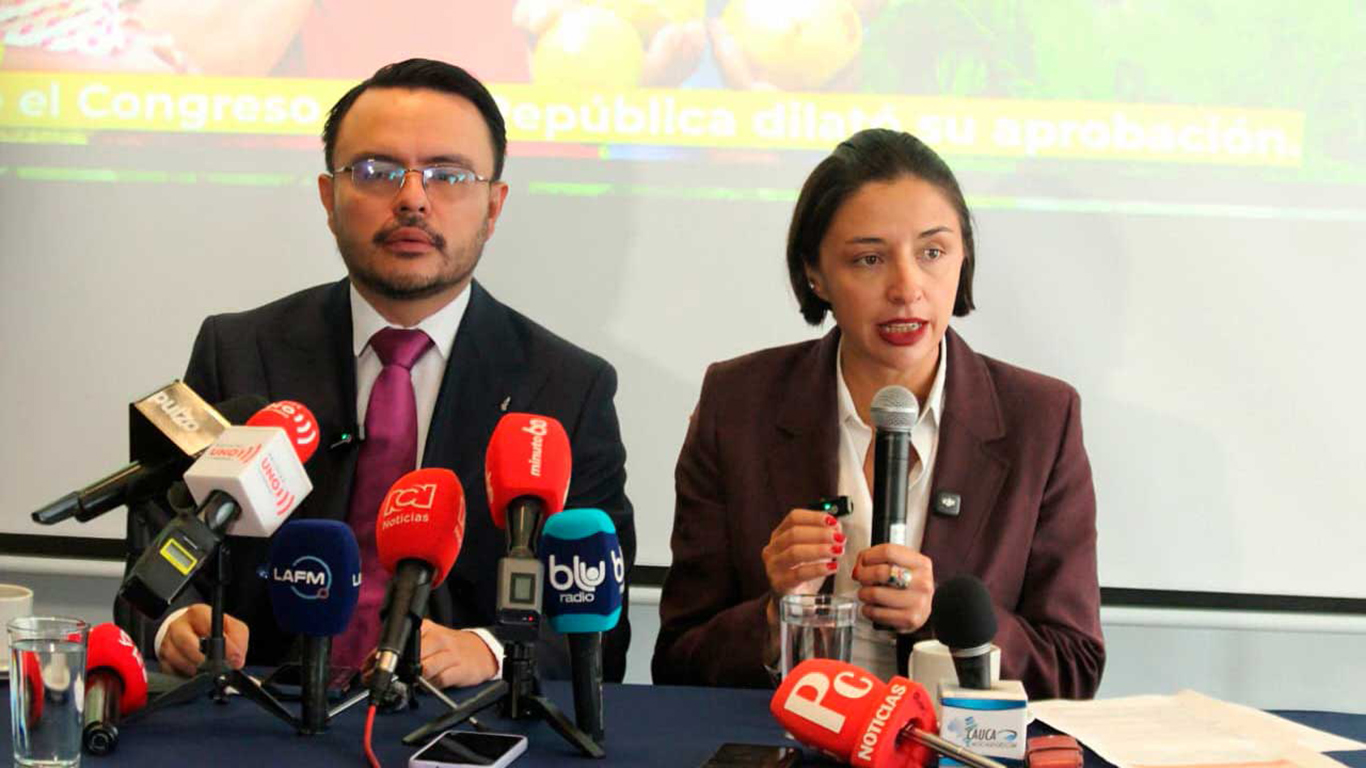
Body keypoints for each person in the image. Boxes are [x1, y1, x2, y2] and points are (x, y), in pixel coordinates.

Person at [120, 58, 635, 688]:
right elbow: (157, 556)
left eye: (448, 176)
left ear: (493, 207)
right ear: (328, 198)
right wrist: (178, 622)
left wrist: (489, 650)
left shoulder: (567, 387)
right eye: (376, 171)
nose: (412, 198)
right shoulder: (238, 350)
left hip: (457, 720)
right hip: (268, 712)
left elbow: (596, 620)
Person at [652, 128, 1102, 699]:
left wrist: (944, 621)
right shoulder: (738, 404)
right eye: (869, 259)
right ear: (815, 273)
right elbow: (677, 662)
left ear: (963, 258)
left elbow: (1074, 669)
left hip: (953, 742)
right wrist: (773, 616)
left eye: (932, 253)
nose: (907, 288)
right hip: (786, 738)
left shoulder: (1040, 419)